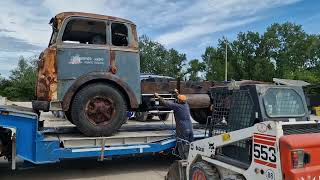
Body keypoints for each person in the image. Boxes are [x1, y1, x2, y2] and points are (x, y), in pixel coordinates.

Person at [154, 89, 193, 159]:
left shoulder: (177, 106)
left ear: (179, 101)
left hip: (183, 128)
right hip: (190, 128)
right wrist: (176, 93)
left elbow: (166, 103)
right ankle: (190, 157)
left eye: (178, 99)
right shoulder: (186, 105)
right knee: (190, 145)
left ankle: (184, 159)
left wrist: (158, 96)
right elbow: (180, 98)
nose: (177, 100)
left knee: (182, 144)